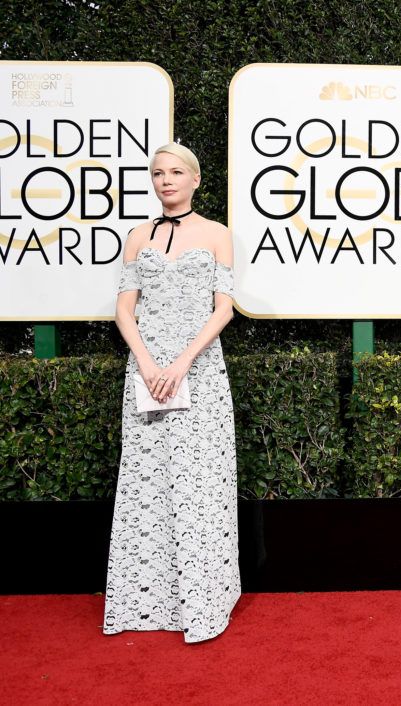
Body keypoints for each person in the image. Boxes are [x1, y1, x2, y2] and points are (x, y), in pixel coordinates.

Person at [104, 142, 239, 643]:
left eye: (176, 172)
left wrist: (182, 363)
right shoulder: (137, 236)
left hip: (198, 371)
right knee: (147, 480)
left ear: (196, 179)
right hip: (145, 370)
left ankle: (203, 602)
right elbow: (124, 309)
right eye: (158, 173)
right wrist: (146, 364)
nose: (166, 180)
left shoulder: (218, 234)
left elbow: (223, 308)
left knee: (199, 484)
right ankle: (146, 601)